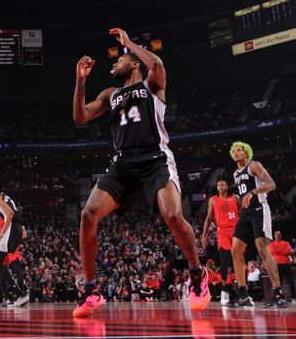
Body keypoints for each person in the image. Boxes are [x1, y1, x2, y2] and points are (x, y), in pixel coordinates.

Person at [71, 28, 209, 318]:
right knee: (87, 215)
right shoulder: (111, 94)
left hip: (155, 158)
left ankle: (197, 274)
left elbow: (157, 65)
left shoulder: (151, 85)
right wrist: (80, 81)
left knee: (172, 215)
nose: (112, 65)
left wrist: (129, 44)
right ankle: (90, 289)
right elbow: (80, 116)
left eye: (118, 61)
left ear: (133, 62)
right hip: (123, 163)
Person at [227, 141, 287, 308]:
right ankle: (243, 294)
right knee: (235, 250)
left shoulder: (254, 165)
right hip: (245, 213)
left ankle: (278, 293)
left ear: (246, 153)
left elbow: (271, 184)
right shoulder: (235, 174)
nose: (236, 153)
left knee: (262, 248)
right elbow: (243, 194)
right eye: (234, 151)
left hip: (260, 209)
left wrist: (253, 192)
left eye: (240, 150)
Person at [201, 177, 239, 305]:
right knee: (224, 262)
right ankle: (224, 291)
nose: (221, 187)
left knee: (238, 262)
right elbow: (209, 218)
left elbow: (244, 214)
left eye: (223, 184)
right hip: (222, 232)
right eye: (218, 185)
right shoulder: (213, 200)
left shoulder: (236, 198)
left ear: (227, 186)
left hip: (237, 231)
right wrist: (204, 235)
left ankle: (237, 290)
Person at [269, 231, 296, 302]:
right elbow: (273, 251)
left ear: (281, 235)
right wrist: (283, 250)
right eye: (276, 234)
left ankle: (294, 297)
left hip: (287, 264)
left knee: (291, 281)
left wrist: (278, 251)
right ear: (274, 236)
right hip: (277, 264)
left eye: (279, 234)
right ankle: (279, 297)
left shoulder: (286, 243)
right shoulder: (272, 244)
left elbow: (288, 251)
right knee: (278, 282)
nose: (278, 235)